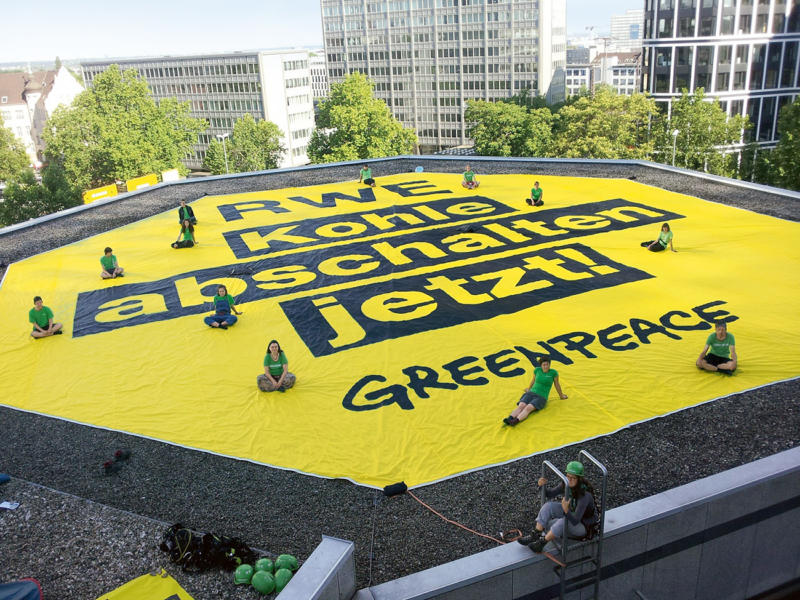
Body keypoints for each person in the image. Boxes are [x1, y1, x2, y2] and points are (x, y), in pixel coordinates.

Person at [518, 461, 599, 553]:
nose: (570, 479)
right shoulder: (566, 484)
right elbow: (550, 494)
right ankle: (535, 534)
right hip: (571, 514)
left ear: (579, 479)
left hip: (584, 526)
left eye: (573, 478)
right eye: (568, 476)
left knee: (563, 521)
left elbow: (575, 520)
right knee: (549, 506)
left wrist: (565, 509)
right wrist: (541, 486)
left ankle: (542, 543)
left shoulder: (584, 495)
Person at [503, 356, 567, 426]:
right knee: (521, 406)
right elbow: (533, 381)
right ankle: (509, 418)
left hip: (541, 396)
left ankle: (515, 420)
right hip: (531, 392)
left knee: (528, 408)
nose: (546, 367)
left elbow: (557, 384)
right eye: (544, 365)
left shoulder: (553, 373)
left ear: (549, 364)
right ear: (541, 365)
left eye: (547, 364)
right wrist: (528, 389)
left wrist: (561, 396)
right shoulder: (537, 370)